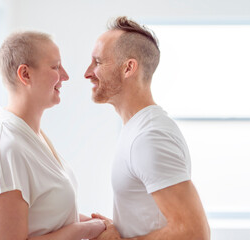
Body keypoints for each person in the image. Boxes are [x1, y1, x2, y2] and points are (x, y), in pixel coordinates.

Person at [84, 17, 210, 240]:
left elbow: (194, 233)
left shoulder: (150, 136)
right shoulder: (137, 129)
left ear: (128, 68)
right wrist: (120, 228)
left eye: (98, 62)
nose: (87, 73)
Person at [0, 31, 105, 240]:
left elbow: (47, 215)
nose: (65, 76)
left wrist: (99, 225)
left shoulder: (31, 134)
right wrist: (86, 230)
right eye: (55, 67)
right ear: (25, 74)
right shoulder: (7, 151)